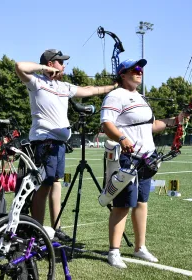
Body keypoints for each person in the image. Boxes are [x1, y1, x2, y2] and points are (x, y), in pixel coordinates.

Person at [15, 49, 118, 241]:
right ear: (50, 63)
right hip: (45, 142)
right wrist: (44, 68)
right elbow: (20, 66)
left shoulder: (63, 86)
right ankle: (37, 232)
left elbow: (89, 90)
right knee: (43, 186)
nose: (64, 66)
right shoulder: (36, 82)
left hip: (59, 144)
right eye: (60, 62)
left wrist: (112, 87)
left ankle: (56, 228)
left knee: (55, 184)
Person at [100, 59, 188, 268]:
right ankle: (114, 251)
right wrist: (122, 138)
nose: (140, 72)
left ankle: (140, 247)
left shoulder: (141, 98)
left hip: (147, 158)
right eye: (135, 70)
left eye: (141, 70)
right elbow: (106, 124)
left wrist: (176, 120)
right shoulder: (115, 95)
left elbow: (151, 126)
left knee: (141, 202)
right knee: (122, 205)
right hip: (128, 157)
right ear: (123, 74)